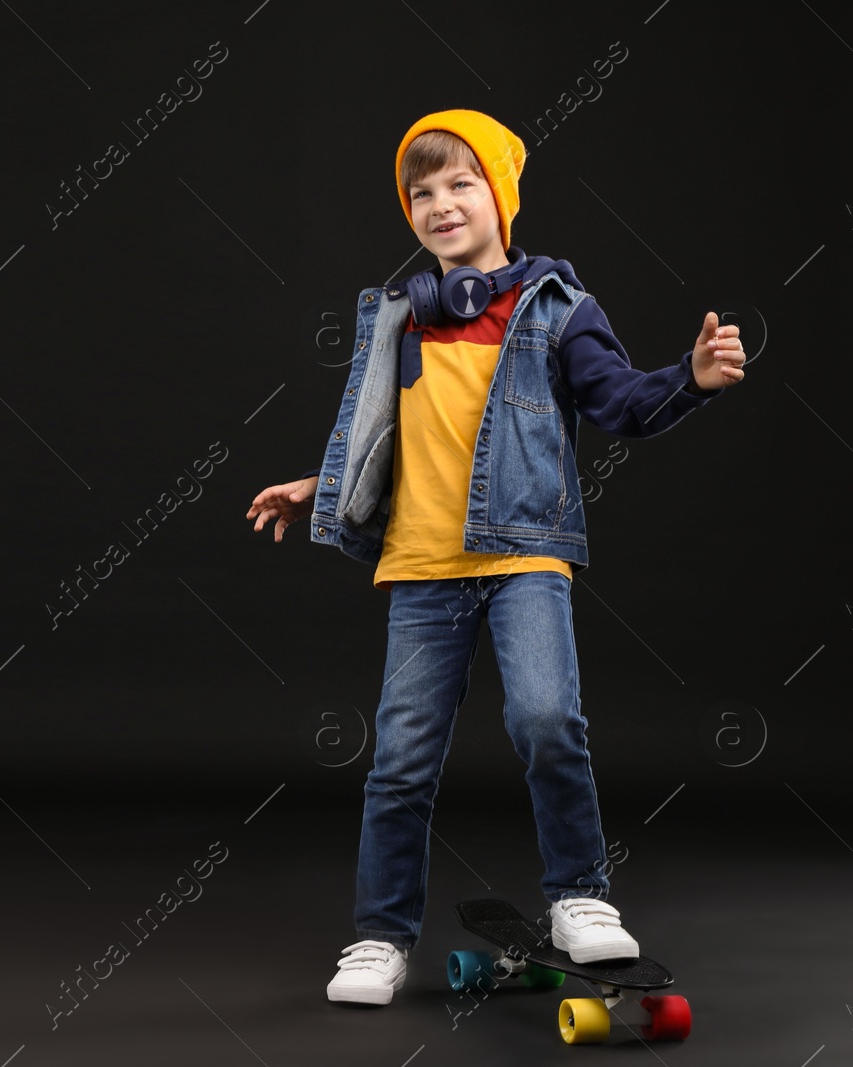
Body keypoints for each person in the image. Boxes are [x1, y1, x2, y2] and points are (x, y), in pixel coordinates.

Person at [244, 109, 746, 1006]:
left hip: (523, 556)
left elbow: (621, 401)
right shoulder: (399, 320)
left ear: (501, 199)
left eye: (460, 183)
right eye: (421, 192)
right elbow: (373, 438)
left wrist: (690, 379)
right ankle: (379, 937)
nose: (440, 204)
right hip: (419, 569)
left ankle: (580, 895)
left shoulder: (554, 308)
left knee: (549, 721)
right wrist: (314, 490)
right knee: (400, 759)